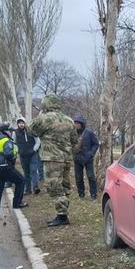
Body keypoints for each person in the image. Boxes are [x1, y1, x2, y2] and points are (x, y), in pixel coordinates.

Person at [29, 94, 79, 227]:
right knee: (64, 186)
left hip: (52, 158)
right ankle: (63, 213)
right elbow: (75, 140)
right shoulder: (68, 120)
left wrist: (40, 115)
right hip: (66, 158)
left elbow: (31, 131)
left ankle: (62, 216)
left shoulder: (45, 119)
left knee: (54, 186)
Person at [0, 123, 27, 220]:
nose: (11, 133)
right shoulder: (6, 140)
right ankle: (17, 203)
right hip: (5, 166)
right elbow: (9, 154)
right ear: (5, 131)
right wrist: (13, 156)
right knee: (21, 180)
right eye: (10, 131)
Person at [73, 115, 99, 200]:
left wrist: (91, 153)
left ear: (82, 124)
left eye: (78, 123)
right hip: (77, 158)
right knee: (78, 177)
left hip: (88, 159)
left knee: (91, 177)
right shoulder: (73, 133)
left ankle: (93, 195)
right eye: (75, 123)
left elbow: (96, 144)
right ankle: (81, 194)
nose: (76, 125)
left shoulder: (89, 133)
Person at [14, 117, 40, 195]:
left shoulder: (31, 131)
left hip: (33, 155)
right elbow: (13, 142)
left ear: (25, 123)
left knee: (33, 170)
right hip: (23, 156)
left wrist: (34, 150)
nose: (21, 124)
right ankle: (28, 189)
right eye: (19, 123)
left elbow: (38, 141)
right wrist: (18, 151)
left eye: (22, 123)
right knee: (26, 172)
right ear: (17, 124)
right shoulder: (15, 132)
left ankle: (35, 187)